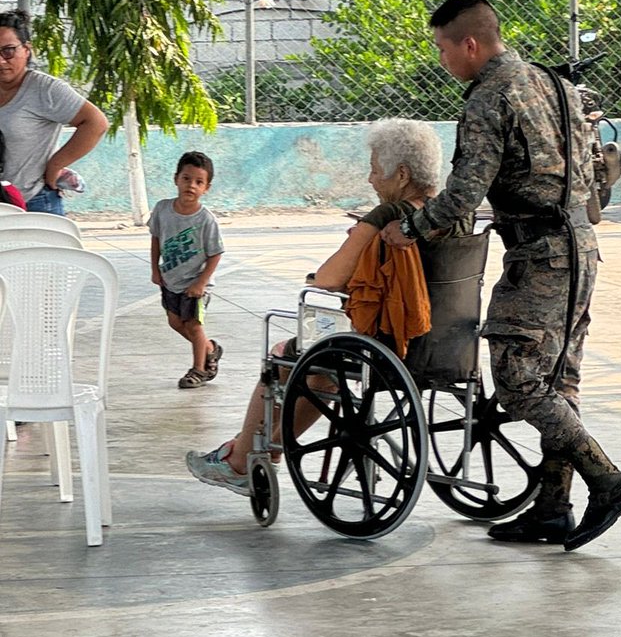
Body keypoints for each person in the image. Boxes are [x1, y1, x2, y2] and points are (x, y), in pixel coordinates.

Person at [382, 0, 621, 552]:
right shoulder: (554, 83)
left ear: (470, 44)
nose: (442, 61)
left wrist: (410, 228)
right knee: (559, 381)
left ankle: (609, 481)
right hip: (580, 246)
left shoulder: (488, 98)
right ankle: (552, 508)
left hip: (538, 256)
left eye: (443, 49)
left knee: (519, 379)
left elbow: (463, 195)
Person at [186, 118, 459, 495]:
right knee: (319, 373)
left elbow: (329, 279)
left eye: (374, 170)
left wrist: (335, 268)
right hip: (448, 345)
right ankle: (261, 451)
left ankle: (241, 460)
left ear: (401, 175)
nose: (369, 179)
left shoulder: (388, 217)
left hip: (387, 346)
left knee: (286, 354)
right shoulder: (455, 218)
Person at [0, 9, 109, 214]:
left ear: (26, 50)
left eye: (8, 51)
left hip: (34, 203)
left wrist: (55, 165)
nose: (1, 60)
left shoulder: (44, 88)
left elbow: (96, 123)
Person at [149, 151, 225, 390]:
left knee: (193, 325)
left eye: (198, 182)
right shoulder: (162, 210)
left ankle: (199, 369)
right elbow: (156, 239)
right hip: (171, 280)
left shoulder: (206, 220)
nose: (191, 185)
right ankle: (210, 350)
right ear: (176, 179)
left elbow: (215, 253)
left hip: (195, 284)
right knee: (175, 322)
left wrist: (201, 282)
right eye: (186, 178)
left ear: (206, 188)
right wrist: (155, 270)